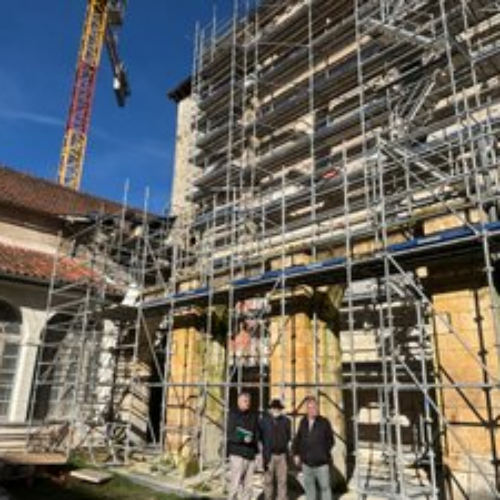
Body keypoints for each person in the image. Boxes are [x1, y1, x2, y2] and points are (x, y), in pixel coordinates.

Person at [293, 396, 334, 500]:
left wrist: (323, 452)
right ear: (307, 410)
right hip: (306, 463)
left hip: (321, 464)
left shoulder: (324, 422)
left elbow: (331, 440)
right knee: (309, 488)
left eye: (316, 407)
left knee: (325, 488)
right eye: (312, 408)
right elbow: (298, 438)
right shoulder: (303, 421)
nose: (315, 409)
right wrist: (296, 453)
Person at [227, 391, 260, 500]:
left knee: (248, 485)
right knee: (235, 483)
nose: (247, 403)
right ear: (239, 401)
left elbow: (256, 433)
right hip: (237, 453)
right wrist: (242, 438)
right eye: (245, 401)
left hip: (250, 454)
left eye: (248, 401)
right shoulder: (233, 414)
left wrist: (256, 449)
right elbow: (230, 434)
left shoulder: (253, 415)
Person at [259, 398, 292, 500]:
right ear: (270, 409)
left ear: (281, 409)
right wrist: (262, 451)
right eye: (274, 408)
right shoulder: (263, 421)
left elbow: (288, 437)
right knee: (268, 481)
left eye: (278, 408)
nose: (276, 410)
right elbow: (260, 437)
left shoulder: (286, 421)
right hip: (269, 455)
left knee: (282, 481)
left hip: (282, 455)